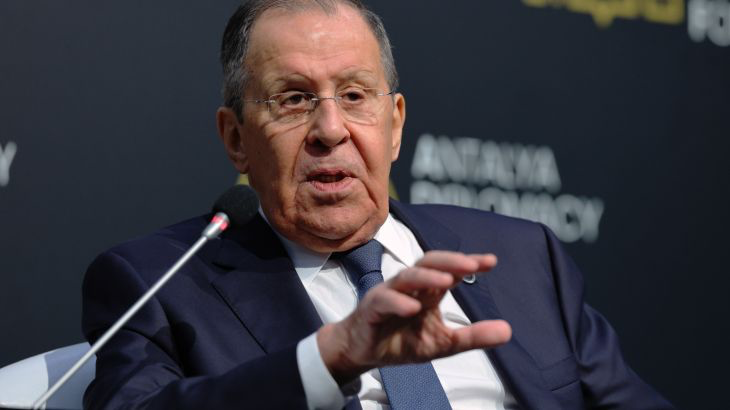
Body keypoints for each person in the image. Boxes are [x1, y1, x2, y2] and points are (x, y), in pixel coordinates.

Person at [81, 1, 674, 409]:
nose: (330, 129)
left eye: (354, 95)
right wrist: (328, 359)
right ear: (236, 138)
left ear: (394, 125)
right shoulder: (157, 283)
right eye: (294, 99)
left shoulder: (522, 255)